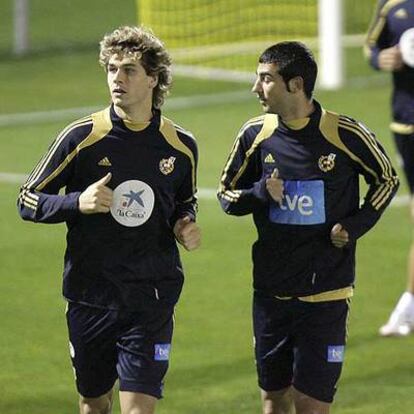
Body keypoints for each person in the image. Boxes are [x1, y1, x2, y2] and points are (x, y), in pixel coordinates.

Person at [17, 25, 200, 414]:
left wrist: (184, 222)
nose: (118, 78)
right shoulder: (81, 137)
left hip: (151, 297)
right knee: (94, 402)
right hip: (91, 296)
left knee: (138, 408)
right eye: (112, 69)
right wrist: (75, 203)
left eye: (129, 70)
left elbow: (184, 200)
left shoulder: (181, 146)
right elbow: (27, 199)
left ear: (153, 78)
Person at [217, 41, 399, 414]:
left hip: (327, 293)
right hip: (272, 291)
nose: (256, 88)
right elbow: (225, 195)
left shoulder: (344, 133)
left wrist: (356, 224)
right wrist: (259, 193)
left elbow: (387, 178)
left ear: (295, 84)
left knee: (312, 405)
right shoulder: (255, 135)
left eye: (266, 79)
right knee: (274, 400)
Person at [365, 0, 414, 337]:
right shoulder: (393, 5)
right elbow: (372, 44)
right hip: (408, 122)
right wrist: (379, 58)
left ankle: (408, 307)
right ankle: (408, 306)